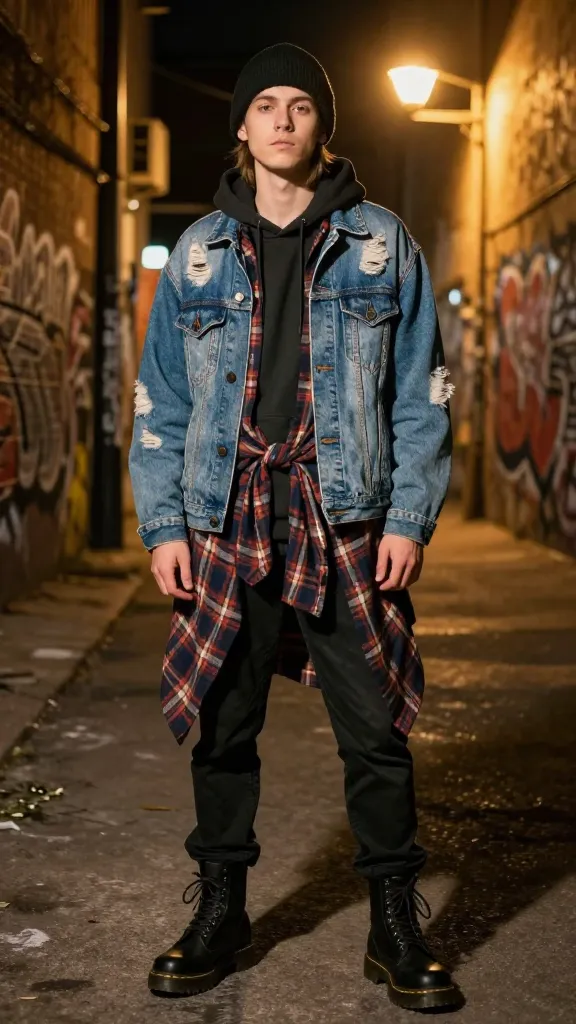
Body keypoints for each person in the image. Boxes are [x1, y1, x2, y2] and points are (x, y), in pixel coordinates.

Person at [129, 43, 461, 1012]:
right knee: (224, 732)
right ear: (241, 126)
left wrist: (409, 515)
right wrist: (163, 525)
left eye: (299, 106)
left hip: (344, 518)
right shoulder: (194, 252)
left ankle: (394, 922)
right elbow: (161, 402)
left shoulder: (380, 242)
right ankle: (221, 907)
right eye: (264, 105)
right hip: (226, 516)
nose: (281, 120)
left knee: (377, 730)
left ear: (322, 126)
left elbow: (422, 390)